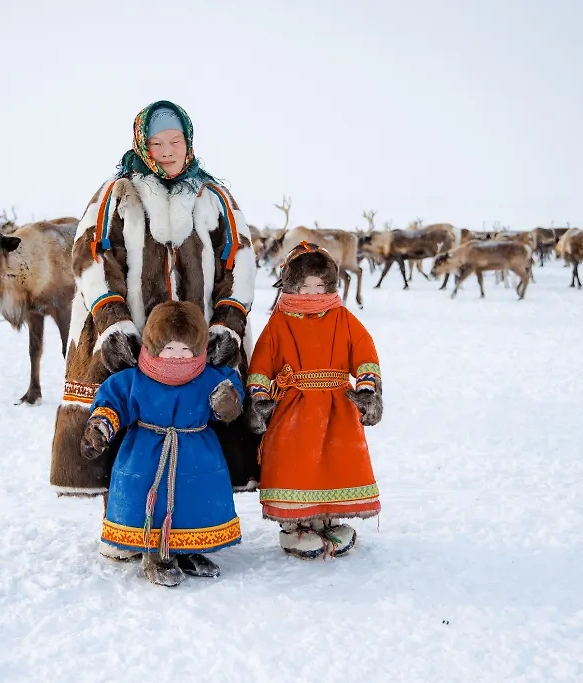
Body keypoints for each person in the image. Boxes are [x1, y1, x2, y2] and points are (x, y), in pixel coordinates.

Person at [49, 100, 259, 575]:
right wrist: (112, 322)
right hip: (126, 331)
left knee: (197, 432)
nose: (167, 151)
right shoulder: (117, 194)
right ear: (142, 143)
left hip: (193, 340)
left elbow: (238, 260)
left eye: (175, 142)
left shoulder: (214, 197)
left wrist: (227, 322)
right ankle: (122, 523)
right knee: (122, 422)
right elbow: (91, 256)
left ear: (188, 142)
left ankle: (190, 528)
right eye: (158, 143)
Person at [80, 301, 244, 586]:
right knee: (152, 505)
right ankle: (154, 556)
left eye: (186, 350)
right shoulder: (135, 379)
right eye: (169, 349)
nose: (178, 357)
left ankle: (187, 550)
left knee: (193, 502)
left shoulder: (208, 376)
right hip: (148, 453)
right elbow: (113, 401)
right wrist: (101, 427)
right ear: (154, 346)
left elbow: (230, 390)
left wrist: (227, 402)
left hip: (196, 451)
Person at [247, 242, 384, 559]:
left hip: (338, 407)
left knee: (334, 462)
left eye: (319, 285)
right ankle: (295, 526)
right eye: (304, 285)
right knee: (297, 463)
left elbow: (364, 354)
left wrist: (366, 390)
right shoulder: (280, 321)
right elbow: (262, 365)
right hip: (294, 407)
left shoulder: (343, 317)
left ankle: (328, 519)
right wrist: (260, 398)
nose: (312, 292)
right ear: (291, 284)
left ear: (330, 285)